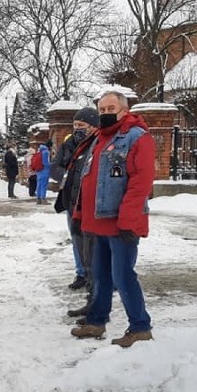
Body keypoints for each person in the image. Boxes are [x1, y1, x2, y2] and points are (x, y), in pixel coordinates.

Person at [70, 91, 155, 348]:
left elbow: (141, 182)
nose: (105, 113)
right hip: (98, 222)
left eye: (111, 108)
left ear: (124, 110)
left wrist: (129, 220)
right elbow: (86, 178)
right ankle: (96, 321)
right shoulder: (98, 138)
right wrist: (79, 213)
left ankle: (140, 326)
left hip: (122, 224)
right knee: (100, 274)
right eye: (102, 109)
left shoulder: (137, 137)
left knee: (122, 275)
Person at [56, 107, 100, 294]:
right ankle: (82, 273)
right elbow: (55, 165)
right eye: (75, 125)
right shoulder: (68, 144)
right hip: (71, 199)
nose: (77, 129)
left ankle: (98, 277)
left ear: (92, 126)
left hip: (89, 202)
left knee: (93, 242)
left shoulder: (97, 144)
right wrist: (65, 175)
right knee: (76, 239)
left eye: (81, 125)